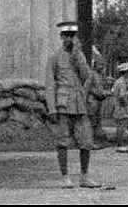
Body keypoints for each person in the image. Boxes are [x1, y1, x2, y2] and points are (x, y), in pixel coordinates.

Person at [41, 20, 102, 189]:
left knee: (86, 141)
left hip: (79, 104)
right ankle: (65, 177)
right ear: (61, 37)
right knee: (62, 141)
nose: (69, 39)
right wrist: (51, 107)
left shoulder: (80, 56)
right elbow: (50, 84)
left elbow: (86, 77)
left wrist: (78, 56)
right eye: (66, 36)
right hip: (62, 104)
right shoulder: (54, 58)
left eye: (72, 36)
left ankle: (84, 176)